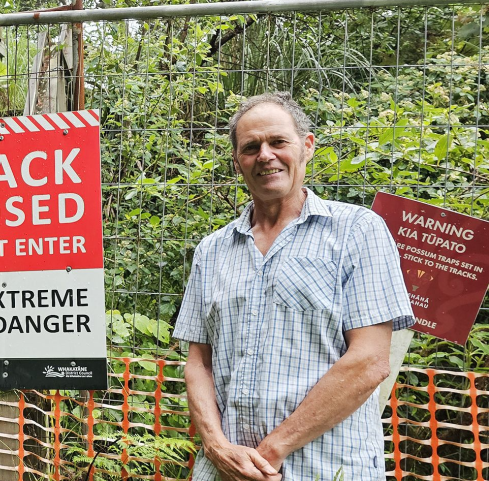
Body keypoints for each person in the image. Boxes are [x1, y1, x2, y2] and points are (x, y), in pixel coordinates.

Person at [172, 92, 413, 481]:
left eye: (278, 142)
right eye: (250, 147)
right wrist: (217, 447)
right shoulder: (212, 250)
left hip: (325, 467)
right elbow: (199, 361)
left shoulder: (356, 231)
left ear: (307, 147)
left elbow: (370, 361)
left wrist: (270, 452)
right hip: (224, 471)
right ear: (237, 162)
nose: (265, 155)